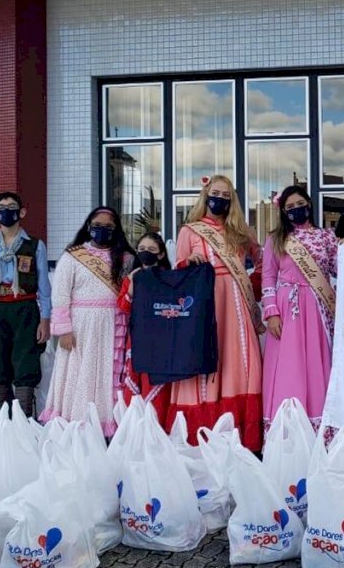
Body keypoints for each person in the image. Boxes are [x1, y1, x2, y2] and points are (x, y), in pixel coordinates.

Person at [172, 174, 264, 449]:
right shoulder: (189, 231)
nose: (220, 200)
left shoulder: (240, 231)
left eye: (226, 196)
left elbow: (262, 261)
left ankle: (242, 438)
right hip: (205, 301)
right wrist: (189, 262)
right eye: (216, 194)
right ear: (206, 195)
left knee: (239, 361)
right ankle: (202, 435)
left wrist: (253, 284)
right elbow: (178, 268)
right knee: (208, 357)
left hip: (236, 302)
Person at [40, 206, 134, 435]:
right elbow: (60, 295)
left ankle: (106, 424)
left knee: (107, 374)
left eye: (108, 227)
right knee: (79, 373)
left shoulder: (126, 258)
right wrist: (63, 330)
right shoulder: (73, 256)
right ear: (89, 227)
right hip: (80, 326)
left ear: (116, 229)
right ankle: (77, 422)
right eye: (97, 226)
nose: (102, 230)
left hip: (114, 323)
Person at [0, 192, 51, 418]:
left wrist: (45, 320)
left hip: (25, 308)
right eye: (1, 207)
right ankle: (6, 418)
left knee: (26, 362)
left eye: (12, 206)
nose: (6, 211)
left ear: (21, 212)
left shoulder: (35, 246)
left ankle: (24, 420)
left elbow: (44, 287)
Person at [261, 185, 339, 430]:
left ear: (309, 205)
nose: (296, 210)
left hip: (318, 307)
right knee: (289, 365)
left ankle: (319, 423)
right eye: (290, 207)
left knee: (318, 362)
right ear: (283, 211)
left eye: (300, 205)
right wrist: (271, 312)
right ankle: (289, 425)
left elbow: (341, 270)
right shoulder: (276, 239)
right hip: (287, 308)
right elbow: (267, 276)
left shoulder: (327, 236)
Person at [117, 232, 172, 426]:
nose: (145, 253)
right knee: (135, 379)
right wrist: (132, 283)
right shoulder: (132, 278)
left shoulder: (169, 279)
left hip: (162, 341)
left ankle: (157, 427)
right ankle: (134, 428)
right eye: (141, 250)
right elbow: (123, 306)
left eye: (151, 250)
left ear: (161, 254)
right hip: (138, 339)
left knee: (157, 382)